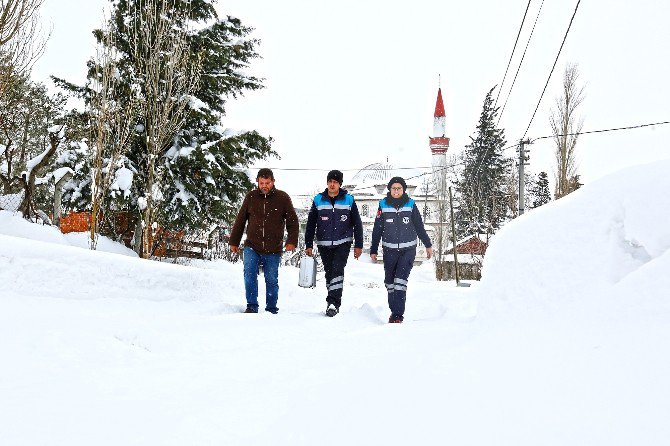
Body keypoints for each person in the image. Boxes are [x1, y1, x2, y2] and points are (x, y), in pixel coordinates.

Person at [229, 168, 299, 314]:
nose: (264, 186)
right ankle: (252, 306)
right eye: (262, 183)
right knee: (249, 275)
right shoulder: (251, 197)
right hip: (252, 246)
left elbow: (292, 221)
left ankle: (271, 309)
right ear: (258, 182)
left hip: (273, 248)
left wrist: (292, 240)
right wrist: (234, 241)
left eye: (267, 182)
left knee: (271, 280)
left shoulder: (282, 198)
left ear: (273, 182)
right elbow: (241, 220)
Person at [370, 176, 433, 323]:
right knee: (390, 283)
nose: (396, 191)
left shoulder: (410, 204)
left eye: (399, 188)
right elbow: (377, 229)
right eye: (393, 188)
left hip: (408, 250)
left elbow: (419, 226)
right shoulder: (383, 205)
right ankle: (394, 310)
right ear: (390, 190)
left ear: (403, 190)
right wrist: (373, 249)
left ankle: (398, 314)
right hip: (389, 250)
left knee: (400, 281)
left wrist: (428, 244)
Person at [304, 170, 364, 317]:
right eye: (330, 181)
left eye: (335, 182)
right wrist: (308, 244)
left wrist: (359, 245)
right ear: (327, 182)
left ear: (340, 184)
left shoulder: (349, 200)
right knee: (329, 272)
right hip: (324, 243)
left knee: (337, 269)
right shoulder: (318, 200)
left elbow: (357, 223)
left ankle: (333, 303)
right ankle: (332, 300)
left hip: (343, 241)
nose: (332, 184)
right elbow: (311, 223)